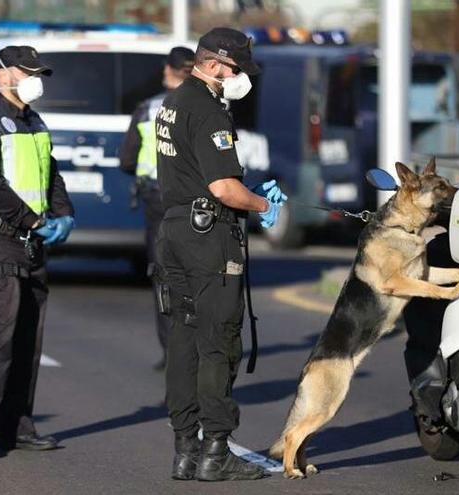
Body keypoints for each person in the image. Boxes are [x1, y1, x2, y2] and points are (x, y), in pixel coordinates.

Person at [154, 27, 286, 481]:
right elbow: (224, 188)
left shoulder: (171, 103)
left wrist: (247, 193)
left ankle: (185, 450)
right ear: (213, 65)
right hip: (207, 238)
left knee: (184, 340)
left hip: (174, 228)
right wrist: (263, 203)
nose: (240, 78)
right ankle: (216, 450)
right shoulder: (208, 110)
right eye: (236, 70)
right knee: (218, 343)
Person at [0, 45, 75, 458]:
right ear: (3, 73)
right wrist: (35, 221)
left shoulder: (34, 120)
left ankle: (17, 426)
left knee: (28, 339)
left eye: (37, 71)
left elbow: (50, 171)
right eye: (27, 71)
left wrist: (64, 212)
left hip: (32, 243)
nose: (33, 79)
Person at [120, 46, 195, 371]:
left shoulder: (148, 109)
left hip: (158, 201)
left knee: (164, 278)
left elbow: (126, 159)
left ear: (168, 71)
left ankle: (171, 351)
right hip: (196, 205)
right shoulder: (208, 108)